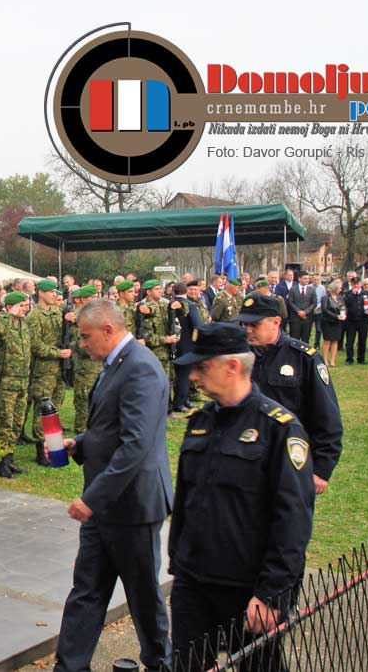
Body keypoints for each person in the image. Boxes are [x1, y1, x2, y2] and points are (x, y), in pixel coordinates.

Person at [169, 322, 314, 672]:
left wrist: (271, 594)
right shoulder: (200, 421)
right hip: (194, 580)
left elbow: (293, 518)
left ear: (232, 366)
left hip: (247, 588)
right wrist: (179, 559)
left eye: (202, 367)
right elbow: (187, 499)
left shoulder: (279, 428)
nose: (194, 377)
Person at [54, 300, 172, 672]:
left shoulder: (141, 368)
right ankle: (70, 667)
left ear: (108, 329)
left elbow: (136, 445)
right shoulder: (115, 363)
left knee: (143, 596)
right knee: (86, 590)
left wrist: (92, 499)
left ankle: (160, 662)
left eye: (86, 336)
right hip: (104, 508)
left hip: (132, 507)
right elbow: (109, 427)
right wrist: (80, 443)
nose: (82, 344)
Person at [236, 294, 343, 496]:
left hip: (288, 458)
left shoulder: (303, 358)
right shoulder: (240, 357)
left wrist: (322, 469)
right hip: (246, 457)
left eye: (254, 324)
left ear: (276, 322)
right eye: (244, 324)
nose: (248, 330)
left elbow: (327, 415)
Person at [26, 279, 74, 464]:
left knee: (55, 407)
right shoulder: (34, 316)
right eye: (51, 291)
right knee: (42, 409)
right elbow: (35, 345)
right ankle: (41, 451)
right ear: (41, 293)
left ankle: (53, 446)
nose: (55, 295)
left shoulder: (57, 312)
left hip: (59, 369)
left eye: (56, 292)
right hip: (44, 370)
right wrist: (58, 353)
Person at [0, 291, 32, 478]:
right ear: (9, 307)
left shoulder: (24, 324)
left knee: (17, 423)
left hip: (22, 381)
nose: (25, 309)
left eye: (25, 305)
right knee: (5, 424)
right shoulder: (1, 322)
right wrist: (8, 315)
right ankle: (1, 462)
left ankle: (9, 458)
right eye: (21, 306)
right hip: (6, 382)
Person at [68, 285, 101, 433]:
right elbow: (79, 343)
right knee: (83, 400)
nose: (95, 300)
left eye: (96, 296)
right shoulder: (76, 317)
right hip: (85, 367)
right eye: (91, 297)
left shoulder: (96, 316)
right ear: (82, 299)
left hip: (98, 365)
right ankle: (81, 433)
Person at [136, 279, 177, 392]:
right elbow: (146, 336)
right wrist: (166, 339)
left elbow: (174, 322)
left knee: (166, 385)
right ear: (148, 292)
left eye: (160, 289)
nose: (160, 291)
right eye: (157, 289)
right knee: (154, 385)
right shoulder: (144, 308)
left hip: (167, 351)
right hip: (154, 353)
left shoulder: (164, 304)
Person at [169, 281, 201, 413]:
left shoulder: (170, 304)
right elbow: (197, 326)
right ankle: (180, 403)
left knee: (178, 375)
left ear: (173, 292)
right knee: (184, 375)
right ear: (186, 291)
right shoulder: (190, 305)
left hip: (173, 343)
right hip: (187, 344)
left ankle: (185, 400)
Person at [342, 277, 368, 364]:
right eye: (354, 284)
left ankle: (361, 359)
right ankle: (349, 359)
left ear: (360, 284)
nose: (356, 286)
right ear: (351, 284)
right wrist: (352, 295)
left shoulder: (367, 294)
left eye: (357, 284)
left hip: (363, 319)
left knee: (362, 340)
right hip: (351, 320)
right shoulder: (347, 293)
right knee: (350, 340)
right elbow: (345, 304)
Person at [319, 279, 345, 366]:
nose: (340, 290)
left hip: (337, 322)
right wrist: (336, 316)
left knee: (335, 340)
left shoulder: (340, 298)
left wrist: (343, 314)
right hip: (328, 322)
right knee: (327, 341)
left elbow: (343, 307)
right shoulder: (325, 298)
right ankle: (324, 360)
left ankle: (332, 360)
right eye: (339, 288)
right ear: (335, 288)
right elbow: (324, 309)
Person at [286, 271, 316, 343]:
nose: (307, 280)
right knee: (294, 340)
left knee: (305, 340)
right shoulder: (293, 289)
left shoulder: (312, 290)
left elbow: (314, 303)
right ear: (299, 279)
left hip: (307, 319)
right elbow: (290, 302)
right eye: (305, 278)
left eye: (308, 278)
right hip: (295, 318)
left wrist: (305, 312)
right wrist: (298, 311)